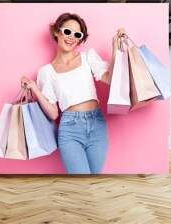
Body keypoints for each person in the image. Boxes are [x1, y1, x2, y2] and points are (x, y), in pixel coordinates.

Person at [21, 12, 125, 174]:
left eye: (77, 34)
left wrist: (115, 49)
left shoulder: (88, 57)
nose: (71, 37)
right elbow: (53, 113)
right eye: (67, 31)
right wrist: (35, 89)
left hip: (96, 124)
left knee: (94, 180)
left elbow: (111, 79)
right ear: (57, 32)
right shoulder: (46, 72)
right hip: (70, 130)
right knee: (80, 181)